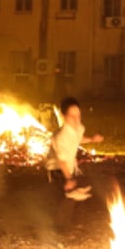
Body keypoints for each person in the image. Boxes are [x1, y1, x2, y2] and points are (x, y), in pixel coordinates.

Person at [46, 97, 104, 228]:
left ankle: (66, 221)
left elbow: (78, 139)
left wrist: (91, 139)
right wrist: (69, 179)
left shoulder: (78, 128)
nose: (76, 119)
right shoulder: (60, 136)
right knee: (71, 194)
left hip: (70, 166)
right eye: (72, 116)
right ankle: (60, 227)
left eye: (78, 115)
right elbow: (61, 161)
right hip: (57, 169)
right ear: (64, 116)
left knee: (76, 193)